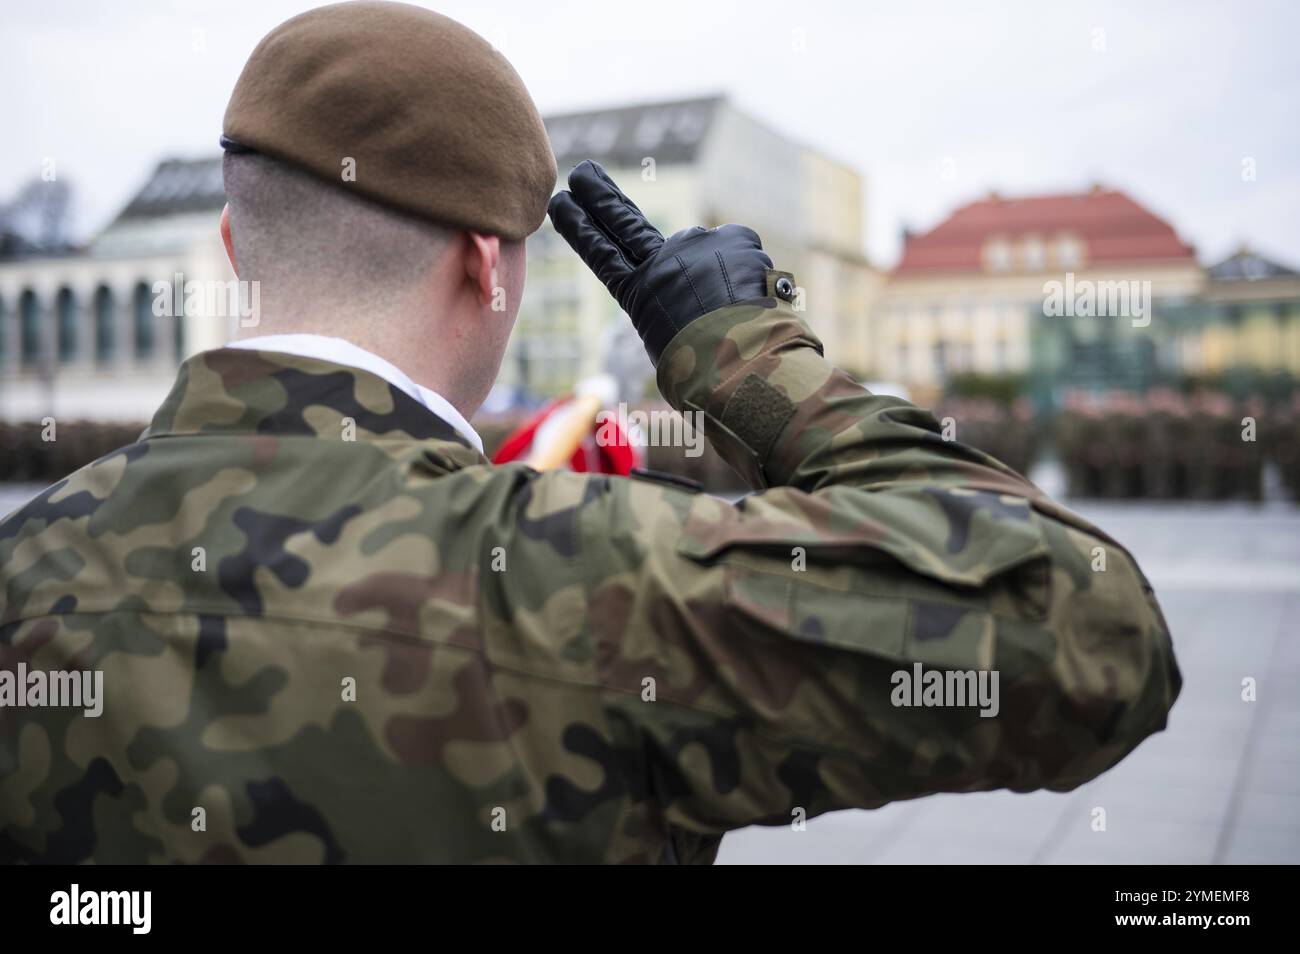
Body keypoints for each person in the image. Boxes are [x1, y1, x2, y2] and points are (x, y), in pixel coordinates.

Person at [0, 1, 1180, 864]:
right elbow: (1089, 631)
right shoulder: (586, 580)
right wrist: (750, 357)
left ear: (230, 245)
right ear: (485, 265)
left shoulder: (26, 573)